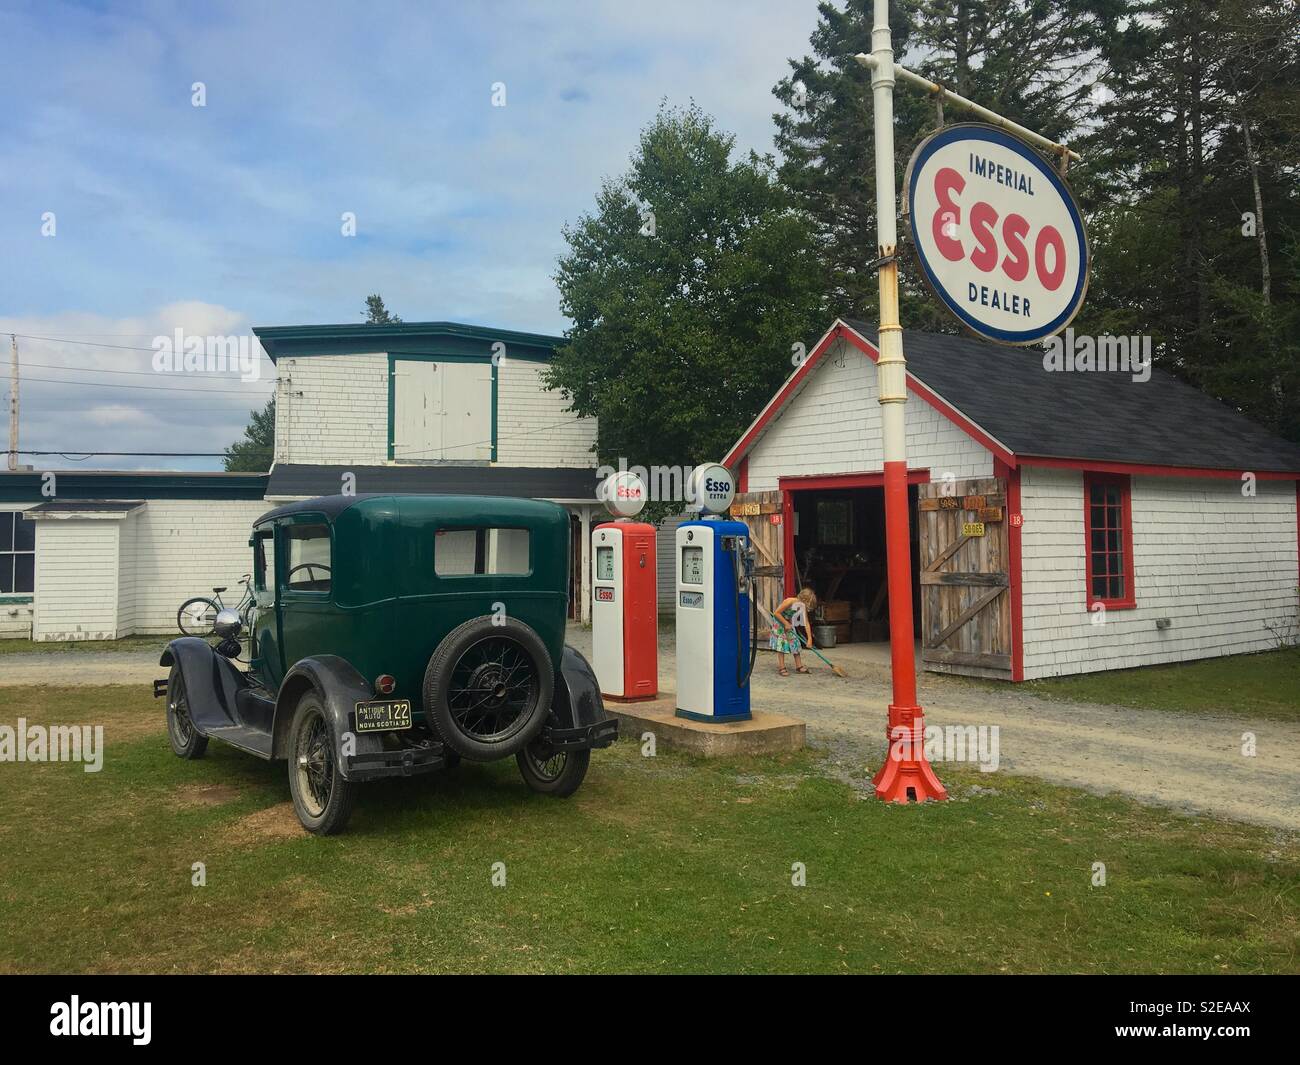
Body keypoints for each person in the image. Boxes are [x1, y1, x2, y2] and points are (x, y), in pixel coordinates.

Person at [770, 587, 817, 677]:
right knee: (782, 644)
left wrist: (810, 638)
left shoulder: (801, 607)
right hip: (779, 622)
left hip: (788, 623)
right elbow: (776, 613)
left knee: (795, 642)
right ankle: (782, 667)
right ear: (803, 600)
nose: (807, 609)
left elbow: (806, 622)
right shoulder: (790, 601)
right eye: (807, 607)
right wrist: (785, 623)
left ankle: (799, 666)